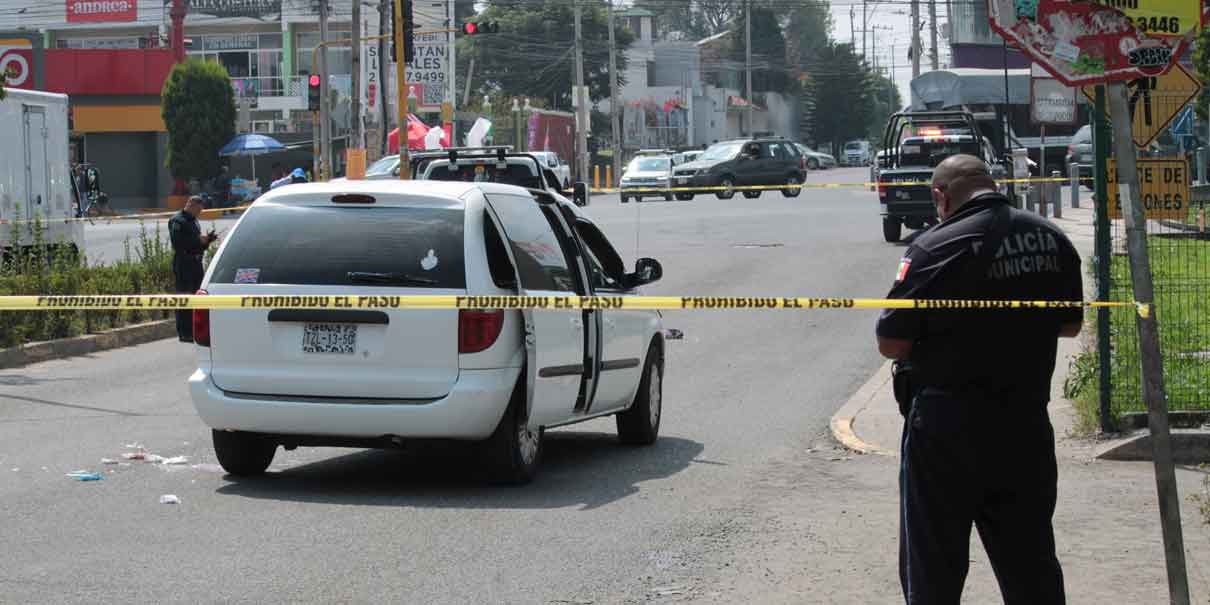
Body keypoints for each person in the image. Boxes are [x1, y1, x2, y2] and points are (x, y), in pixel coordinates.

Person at [875, 154, 1083, 605]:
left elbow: (891, 342)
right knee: (1030, 563)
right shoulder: (1051, 239)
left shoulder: (934, 247)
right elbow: (1070, 325)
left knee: (935, 568)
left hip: (946, 428)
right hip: (1024, 422)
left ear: (940, 197)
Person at [168, 196, 218, 342]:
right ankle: (184, 332)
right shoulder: (177, 221)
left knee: (196, 297)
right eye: (198, 209)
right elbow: (178, 243)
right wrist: (198, 240)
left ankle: (195, 330)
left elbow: (197, 244)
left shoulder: (194, 221)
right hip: (184, 263)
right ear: (190, 204)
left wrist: (207, 240)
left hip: (196, 263)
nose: (199, 212)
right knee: (184, 297)